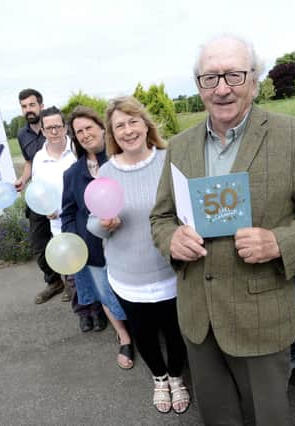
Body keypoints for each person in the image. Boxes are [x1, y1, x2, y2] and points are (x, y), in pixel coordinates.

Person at [149, 35, 295, 425]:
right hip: (198, 319)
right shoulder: (180, 146)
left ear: (254, 82)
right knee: (217, 418)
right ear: (199, 87)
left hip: (259, 320)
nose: (222, 88)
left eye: (234, 74)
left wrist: (278, 241)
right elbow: (160, 218)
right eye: (210, 77)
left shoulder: (293, 137)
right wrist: (171, 239)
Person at [88, 97, 190, 415]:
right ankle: (159, 378)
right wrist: (106, 225)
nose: (128, 130)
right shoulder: (106, 171)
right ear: (112, 133)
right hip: (127, 274)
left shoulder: (169, 161)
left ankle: (176, 377)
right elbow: (93, 222)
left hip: (170, 271)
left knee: (175, 332)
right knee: (143, 334)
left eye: (133, 121)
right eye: (120, 125)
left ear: (146, 124)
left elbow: (187, 211)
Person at [61, 106, 133, 368]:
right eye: (78, 131)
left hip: (126, 239)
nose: (84, 134)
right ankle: (124, 336)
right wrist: (74, 240)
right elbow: (67, 212)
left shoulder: (121, 161)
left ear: (102, 128)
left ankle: (140, 329)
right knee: (105, 293)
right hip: (91, 246)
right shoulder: (71, 174)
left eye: (89, 127)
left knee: (130, 291)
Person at [32, 106, 108, 333]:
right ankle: (84, 313)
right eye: (49, 128)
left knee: (96, 269)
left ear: (64, 128)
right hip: (61, 226)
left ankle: (100, 310)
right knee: (74, 275)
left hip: (87, 221)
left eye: (58, 126)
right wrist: (44, 208)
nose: (54, 131)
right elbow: (37, 189)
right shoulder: (39, 158)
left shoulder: (77, 151)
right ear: (43, 131)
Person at [14, 89, 67, 304]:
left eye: (32, 105)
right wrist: (23, 179)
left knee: (64, 238)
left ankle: (73, 283)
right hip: (39, 199)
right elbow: (29, 162)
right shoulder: (21, 134)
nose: (28, 110)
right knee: (39, 244)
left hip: (61, 198)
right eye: (24, 106)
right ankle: (54, 282)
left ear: (41, 106)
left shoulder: (57, 129)